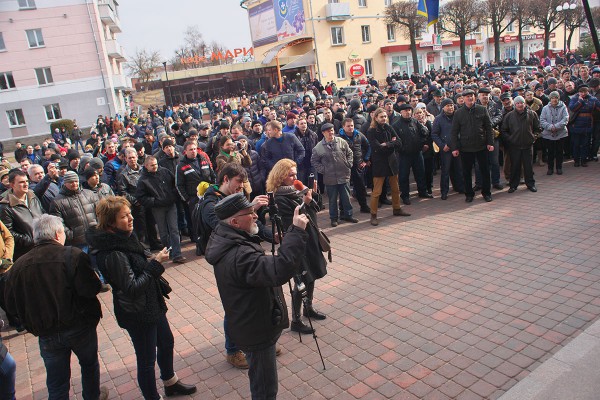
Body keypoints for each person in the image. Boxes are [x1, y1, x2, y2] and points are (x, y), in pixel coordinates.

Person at [86, 196, 196, 400]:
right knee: (146, 360)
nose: (130, 219)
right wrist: (155, 265)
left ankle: (170, 382)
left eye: (130, 214)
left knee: (166, 342)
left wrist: (151, 260)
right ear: (111, 222)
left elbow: (138, 267)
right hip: (137, 312)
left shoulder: (125, 237)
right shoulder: (112, 252)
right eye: (124, 216)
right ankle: (151, 396)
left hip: (151, 304)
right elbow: (131, 287)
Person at [204, 193, 310, 399]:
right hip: (256, 328)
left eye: (254, 211)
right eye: (250, 213)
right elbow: (280, 269)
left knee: (263, 383)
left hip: (251, 321)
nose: (255, 217)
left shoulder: (227, 237)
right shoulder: (239, 255)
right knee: (265, 389)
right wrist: (296, 232)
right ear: (234, 221)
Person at [4, 214, 108, 400]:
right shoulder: (73, 255)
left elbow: (11, 305)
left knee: (57, 383)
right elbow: (91, 288)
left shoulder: (19, 266)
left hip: (47, 333)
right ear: (59, 234)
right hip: (79, 327)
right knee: (89, 366)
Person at [195, 163, 271, 368]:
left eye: (243, 183)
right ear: (226, 179)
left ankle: (256, 344)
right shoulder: (211, 202)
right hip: (224, 257)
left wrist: (272, 236)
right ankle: (233, 350)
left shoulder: (234, 199)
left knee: (250, 300)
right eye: (238, 182)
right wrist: (252, 207)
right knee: (234, 304)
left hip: (241, 252)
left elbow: (252, 223)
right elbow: (222, 224)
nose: (241, 187)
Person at [266, 158, 328, 335]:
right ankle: (296, 320)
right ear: (280, 176)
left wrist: (313, 196)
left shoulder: (297, 190)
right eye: (290, 175)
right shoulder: (278, 197)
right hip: (296, 243)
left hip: (311, 238)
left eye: (295, 173)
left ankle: (308, 307)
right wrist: (305, 205)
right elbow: (290, 223)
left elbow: (317, 210)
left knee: (313, 275)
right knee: (301, 279)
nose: (294, 177)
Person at [135, 156, 186, 264]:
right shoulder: (143, 179)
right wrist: (154, 202)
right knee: (163, 233)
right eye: (152, 165)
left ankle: (177, 254)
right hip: (157, 208)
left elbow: (175, 184)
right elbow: (141, 197)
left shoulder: (165, 172)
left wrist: (173, 196)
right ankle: (169, 251)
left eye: (156, 164)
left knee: (174, 230)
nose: (155, 167)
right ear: (146, 166)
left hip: (171, 205)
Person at [366, 108, 410, 226]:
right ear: (375, 118)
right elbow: (377, 148)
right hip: (379, 164)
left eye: (385, 116)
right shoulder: (371, 131)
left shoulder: (389, 128)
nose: (384, 119)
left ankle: (397, 209)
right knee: (377, 192)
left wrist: (387, 144)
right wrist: (391, 144)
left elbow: (399, 143)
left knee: (395, 188)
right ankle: (373, 215)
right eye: (381, 117)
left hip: (392, 162)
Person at [450, 89, 495, 203]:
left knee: (485, 171)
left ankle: (486, 193)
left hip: (481, 146)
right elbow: (454, 132)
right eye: (467, 96)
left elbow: (489, 128)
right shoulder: (458, 113)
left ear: (475, 97)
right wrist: (454, 148)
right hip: (466, 148)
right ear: (463, 99)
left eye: (471, 96)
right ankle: (469, 194)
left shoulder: (482, 109)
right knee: (466, 172)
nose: (470, 98)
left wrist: (490, 142)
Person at [311, 123, 357, 226]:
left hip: (343, 175)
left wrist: (348, 164)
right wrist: (323, 170)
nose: (331, 133)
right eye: (328, 131)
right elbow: (314, 161)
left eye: (332, 130)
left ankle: (348, 215)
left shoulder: (341, 142)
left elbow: (350, 153)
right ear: (323, 133)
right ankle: (334, 218)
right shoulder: (318, 147)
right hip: (330, 178)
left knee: (346, 198)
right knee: (332, 200)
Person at [0, 170, 45, 260]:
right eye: (21, 182)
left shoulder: (33, 197)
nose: (26, 184)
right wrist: (30, 240)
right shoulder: (6, 206)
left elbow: (42, 215)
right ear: (12, 185)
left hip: (43, 247)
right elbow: (8, 232)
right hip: (25, 254)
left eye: (27, 181)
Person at [501, 96, 540, 193]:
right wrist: (510, 139)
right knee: (515, 166)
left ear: (524, 104)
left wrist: (534, 137)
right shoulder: (509, 116)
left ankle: (530, 184)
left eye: (521, 103)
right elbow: (504, 130)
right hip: (514, 145)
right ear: (515, 104)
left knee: (528, 166)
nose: (519, 105)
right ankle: (513, 185)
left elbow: (537, 128)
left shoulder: (532, 114)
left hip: (528, 144)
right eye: (517, 103)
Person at [431, 99, 465, 200]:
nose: (450, 107)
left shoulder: (458, 116)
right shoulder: (438, 119)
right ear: (443, 107)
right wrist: (442, 145)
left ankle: (460, 187)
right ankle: (444, 191)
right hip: (446, 148)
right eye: (448, 106)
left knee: (459, 169)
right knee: (445, 171)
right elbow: (434, 134)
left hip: (457, 147)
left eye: (451, 105)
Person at [338, 118, 371, 213]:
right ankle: (343, 210)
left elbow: (368, 146)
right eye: (348, 126)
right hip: (344, 167)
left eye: (352, 125)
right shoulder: (339, 138)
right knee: (343, 189)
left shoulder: (359, 135)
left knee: (360, 187)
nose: (350, 128)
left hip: (358, 165)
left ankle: (364, 206)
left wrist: (365, 160)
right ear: (343, 127)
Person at [540, 91, 569, 175]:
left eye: (556, 97)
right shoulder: (545, 108)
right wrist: (550, 127)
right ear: (550, 99)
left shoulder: (563, 107)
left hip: (561, 133)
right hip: (548, 134)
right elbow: (542, 120)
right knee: (550, 152)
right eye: (552, 98)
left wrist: (556, 126)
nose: (554, 99)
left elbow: (565, 119)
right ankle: (550, 168)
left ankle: (559, 167)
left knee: (559, 151)